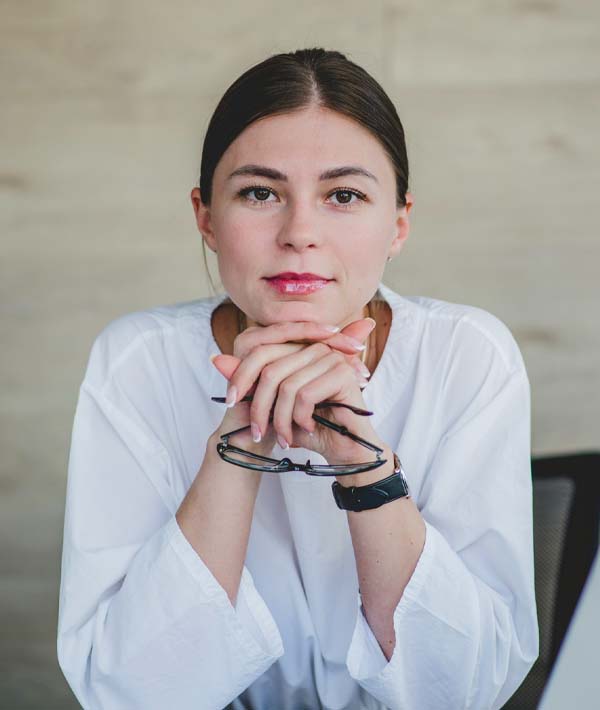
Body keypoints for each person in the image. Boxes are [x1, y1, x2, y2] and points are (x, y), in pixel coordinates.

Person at [56, 48, 539, 709]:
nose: (300, 233)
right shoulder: (136, 360)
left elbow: (461, 691)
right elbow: (134, 694)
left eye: (344, 195)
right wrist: (243, 430)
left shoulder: (467, 355)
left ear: (398, 223)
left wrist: (363, 462)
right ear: (206, 217)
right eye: (260, 193)